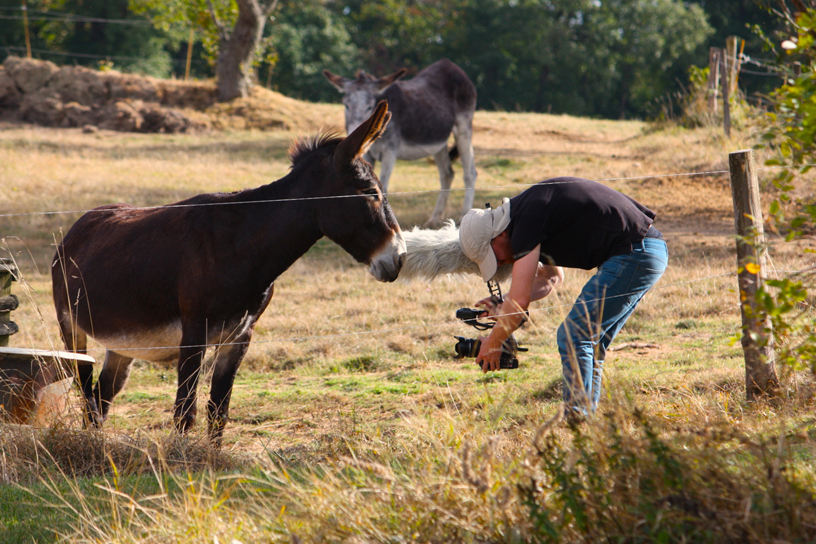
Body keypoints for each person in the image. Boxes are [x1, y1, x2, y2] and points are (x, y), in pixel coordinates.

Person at [458, 177, 668, 419]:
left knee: (574, 335)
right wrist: (502, 303)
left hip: (636, 254)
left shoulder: (525, 220)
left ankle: (577, 418)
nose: (501, 263)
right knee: (591, 344)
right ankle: (584, 422)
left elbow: (519, 306)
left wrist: (493, 343)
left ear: (498, 235)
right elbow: (551, 280)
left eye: (494, 257)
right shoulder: (528, 213)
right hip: (644, 252)